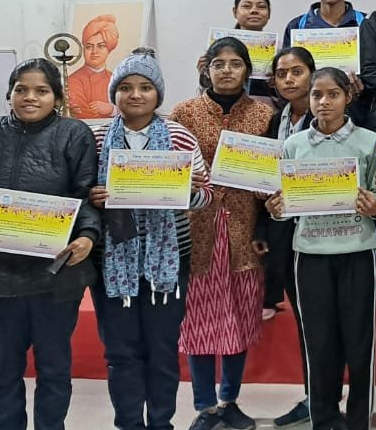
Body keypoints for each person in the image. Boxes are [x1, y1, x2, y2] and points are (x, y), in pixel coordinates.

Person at [0, 58, 100, 430]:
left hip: (55, 275)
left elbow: (87, 195)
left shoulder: (74, 134)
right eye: (21, 89)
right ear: (9, 94)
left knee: (54, 370)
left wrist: (87, 236)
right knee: (3, 373)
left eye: (41, 90)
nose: (30, 97)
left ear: (57, 98)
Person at [88, 49, 216, 430]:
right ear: (114, 93)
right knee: (120, 351)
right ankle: (129, 423)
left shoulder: (179, 136)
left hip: (169, 261)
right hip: (112, 261)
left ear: (158, 93)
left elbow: (206, 196)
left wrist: (188, 192)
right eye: (126, 87)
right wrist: (93, 196)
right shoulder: (95, 137)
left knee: (162, 350)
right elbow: (79, 192)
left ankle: (161, 423)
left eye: (145, 87)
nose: (135, 95)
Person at [267, 68, 376, 430]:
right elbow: (283, 203)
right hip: (310, 254)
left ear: (348, 97)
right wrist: (276, 209)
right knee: (318, 342)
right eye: (317, 95)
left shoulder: (370, 141)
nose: (324, 102)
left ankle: (359, 419)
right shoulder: (293, 145)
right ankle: (324, 418)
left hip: (358, 251)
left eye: (333, 94)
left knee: (360, 341)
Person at [170, 37, 277, 430]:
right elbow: (171, 169)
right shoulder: (183, 113)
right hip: (196, 229)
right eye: (219, 64)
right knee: (197, 319)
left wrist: (264, 214)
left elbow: (272, 175)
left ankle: (229, 400)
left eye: (235, 63)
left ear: (248, 69)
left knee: (241, 316)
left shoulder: (265, 115)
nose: (227, 70)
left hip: (246, 231)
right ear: (207, 69)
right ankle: (204, 406)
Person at [259, 47, 317, 428]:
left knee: (320, 321)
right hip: (283, 231)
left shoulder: (328, 117)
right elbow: (264, 181)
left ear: (312, 74)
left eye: (297, 71)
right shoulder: (274, 120)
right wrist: (262, 228)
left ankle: (325, 396)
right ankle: (314, 396)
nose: (289, 79)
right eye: (282, 74)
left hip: (321, 232)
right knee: (303, 320)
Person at [196, 0, 274, 100]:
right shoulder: (219, 46)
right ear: (234, 11)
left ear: (269, 13)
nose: (254, 11)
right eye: (247, 6)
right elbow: (205, 91)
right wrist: (205, 74)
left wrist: (276, 83)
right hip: (223, 107)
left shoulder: (278, 50)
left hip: (266, 107)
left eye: (261, 7)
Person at [70, 13, 121, 118]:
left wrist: (111, 109)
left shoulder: (115, 78)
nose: (94, 52)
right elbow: (81, 114)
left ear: (109, 49)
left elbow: (132, 110)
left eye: (101, 46)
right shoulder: (74, 80)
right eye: (89, 46)